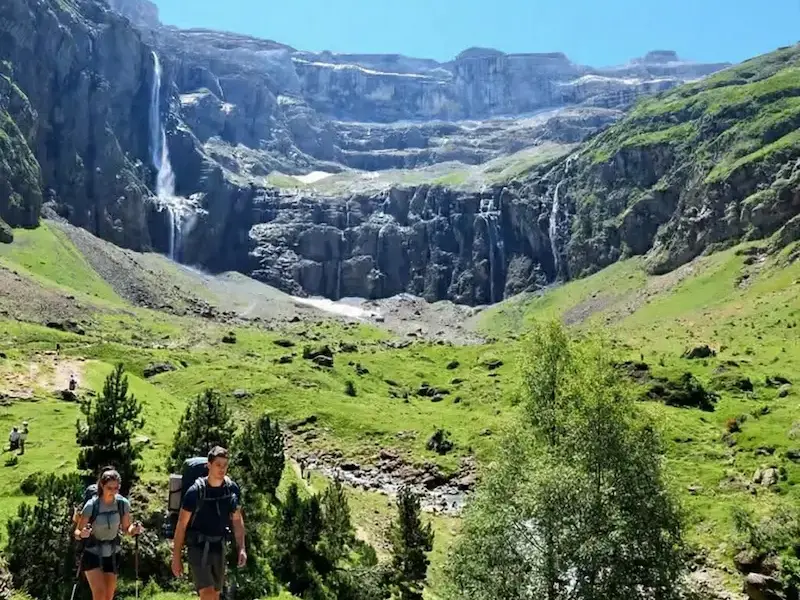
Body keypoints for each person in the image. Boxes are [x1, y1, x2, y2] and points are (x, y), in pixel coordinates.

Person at [171, 446, 246, 600]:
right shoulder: (194, 492)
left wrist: (242, 548)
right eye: (218, 464)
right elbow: (181, 525)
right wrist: (176, 557)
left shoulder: (231, 489)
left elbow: (237, 520)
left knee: (215, 595)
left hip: (219, 547)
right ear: (209, 465)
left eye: (225, 465)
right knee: (207, 594)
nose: (222, 469)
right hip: (198, 548)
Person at [73, 468, 144, 600]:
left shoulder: (122, 504)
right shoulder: (91, 505)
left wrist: (134, 529)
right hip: (91, 552)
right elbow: (76, 532)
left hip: (112, 553)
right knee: (99, 594)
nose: (113, 491)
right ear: (102, 486)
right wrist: (82, 533)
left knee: (108, 596)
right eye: (109, 488)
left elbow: (126, 529)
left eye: (116, 488)